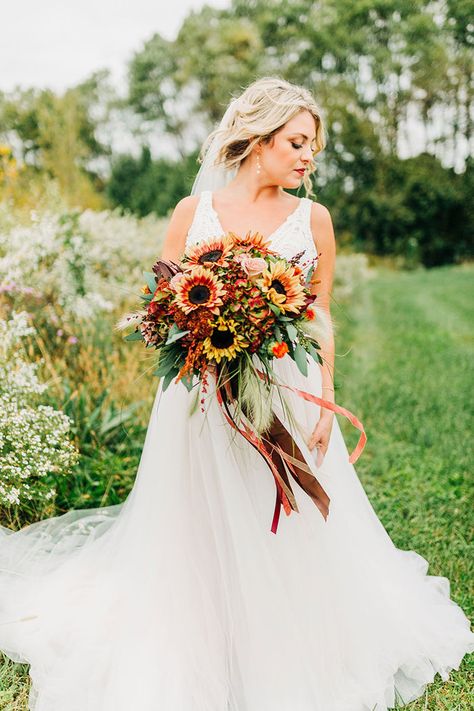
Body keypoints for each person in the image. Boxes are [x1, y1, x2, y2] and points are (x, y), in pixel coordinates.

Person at [0, 76, 472, 711]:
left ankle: (286, 638)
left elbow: (320, 315)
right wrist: (203, 323)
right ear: (258, 139)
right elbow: (162, 305)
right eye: (297, 142)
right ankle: (201, 633)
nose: (308, 157)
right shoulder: (192, 215)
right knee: (198, 520)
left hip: (286, 392)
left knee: (282, 524)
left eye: (314, 147)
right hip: (200, 399)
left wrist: (326, 400)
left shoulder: (314, 219)